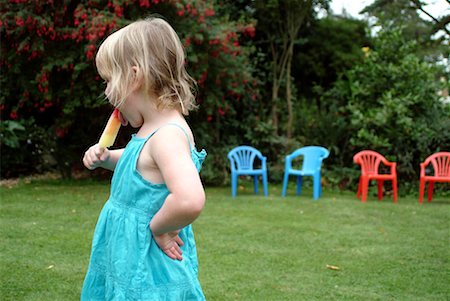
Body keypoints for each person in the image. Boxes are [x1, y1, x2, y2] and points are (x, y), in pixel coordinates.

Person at [81, 17, 207, 300]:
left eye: (108, 80)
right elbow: (139, 163)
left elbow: (189, 199)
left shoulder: (167, 135)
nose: (107, 91)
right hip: (127, 254)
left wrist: (161, 228)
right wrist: (107, 158)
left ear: (133, 77)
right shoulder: (154, 131)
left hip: (147, 261)